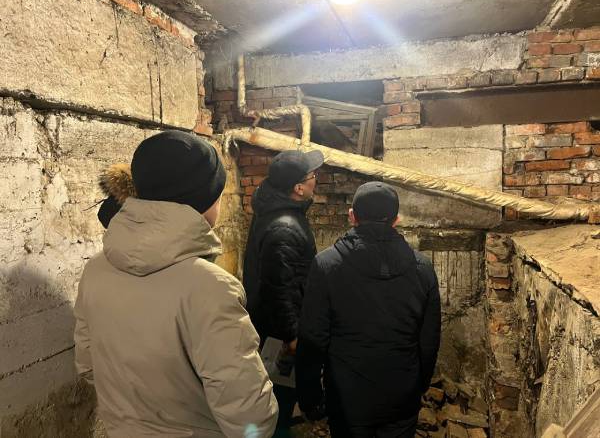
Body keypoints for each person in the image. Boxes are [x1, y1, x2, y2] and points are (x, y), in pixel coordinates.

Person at [74, 131, 278, 438]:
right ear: (206, 200)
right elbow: (249, 416)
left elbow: (89, 366)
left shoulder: (96, 270)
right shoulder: (211, 287)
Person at [296, 181, 441, 438]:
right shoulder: (423, 268)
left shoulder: (326, 266)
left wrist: (310, 397)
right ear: (396, 220)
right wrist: (419, 384)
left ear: (352, 216)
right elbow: (429, 340)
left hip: (347, 398)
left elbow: (313, 338)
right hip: (401, 395)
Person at [243, 149, 324, 436]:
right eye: (312, 175)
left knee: (278, 393)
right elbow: (280, 288)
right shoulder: (284, 228)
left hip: (274, 326)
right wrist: (292, 337)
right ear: (299, 188)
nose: (316, 179)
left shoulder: (277, 208)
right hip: (280, 333)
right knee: (280, 397)